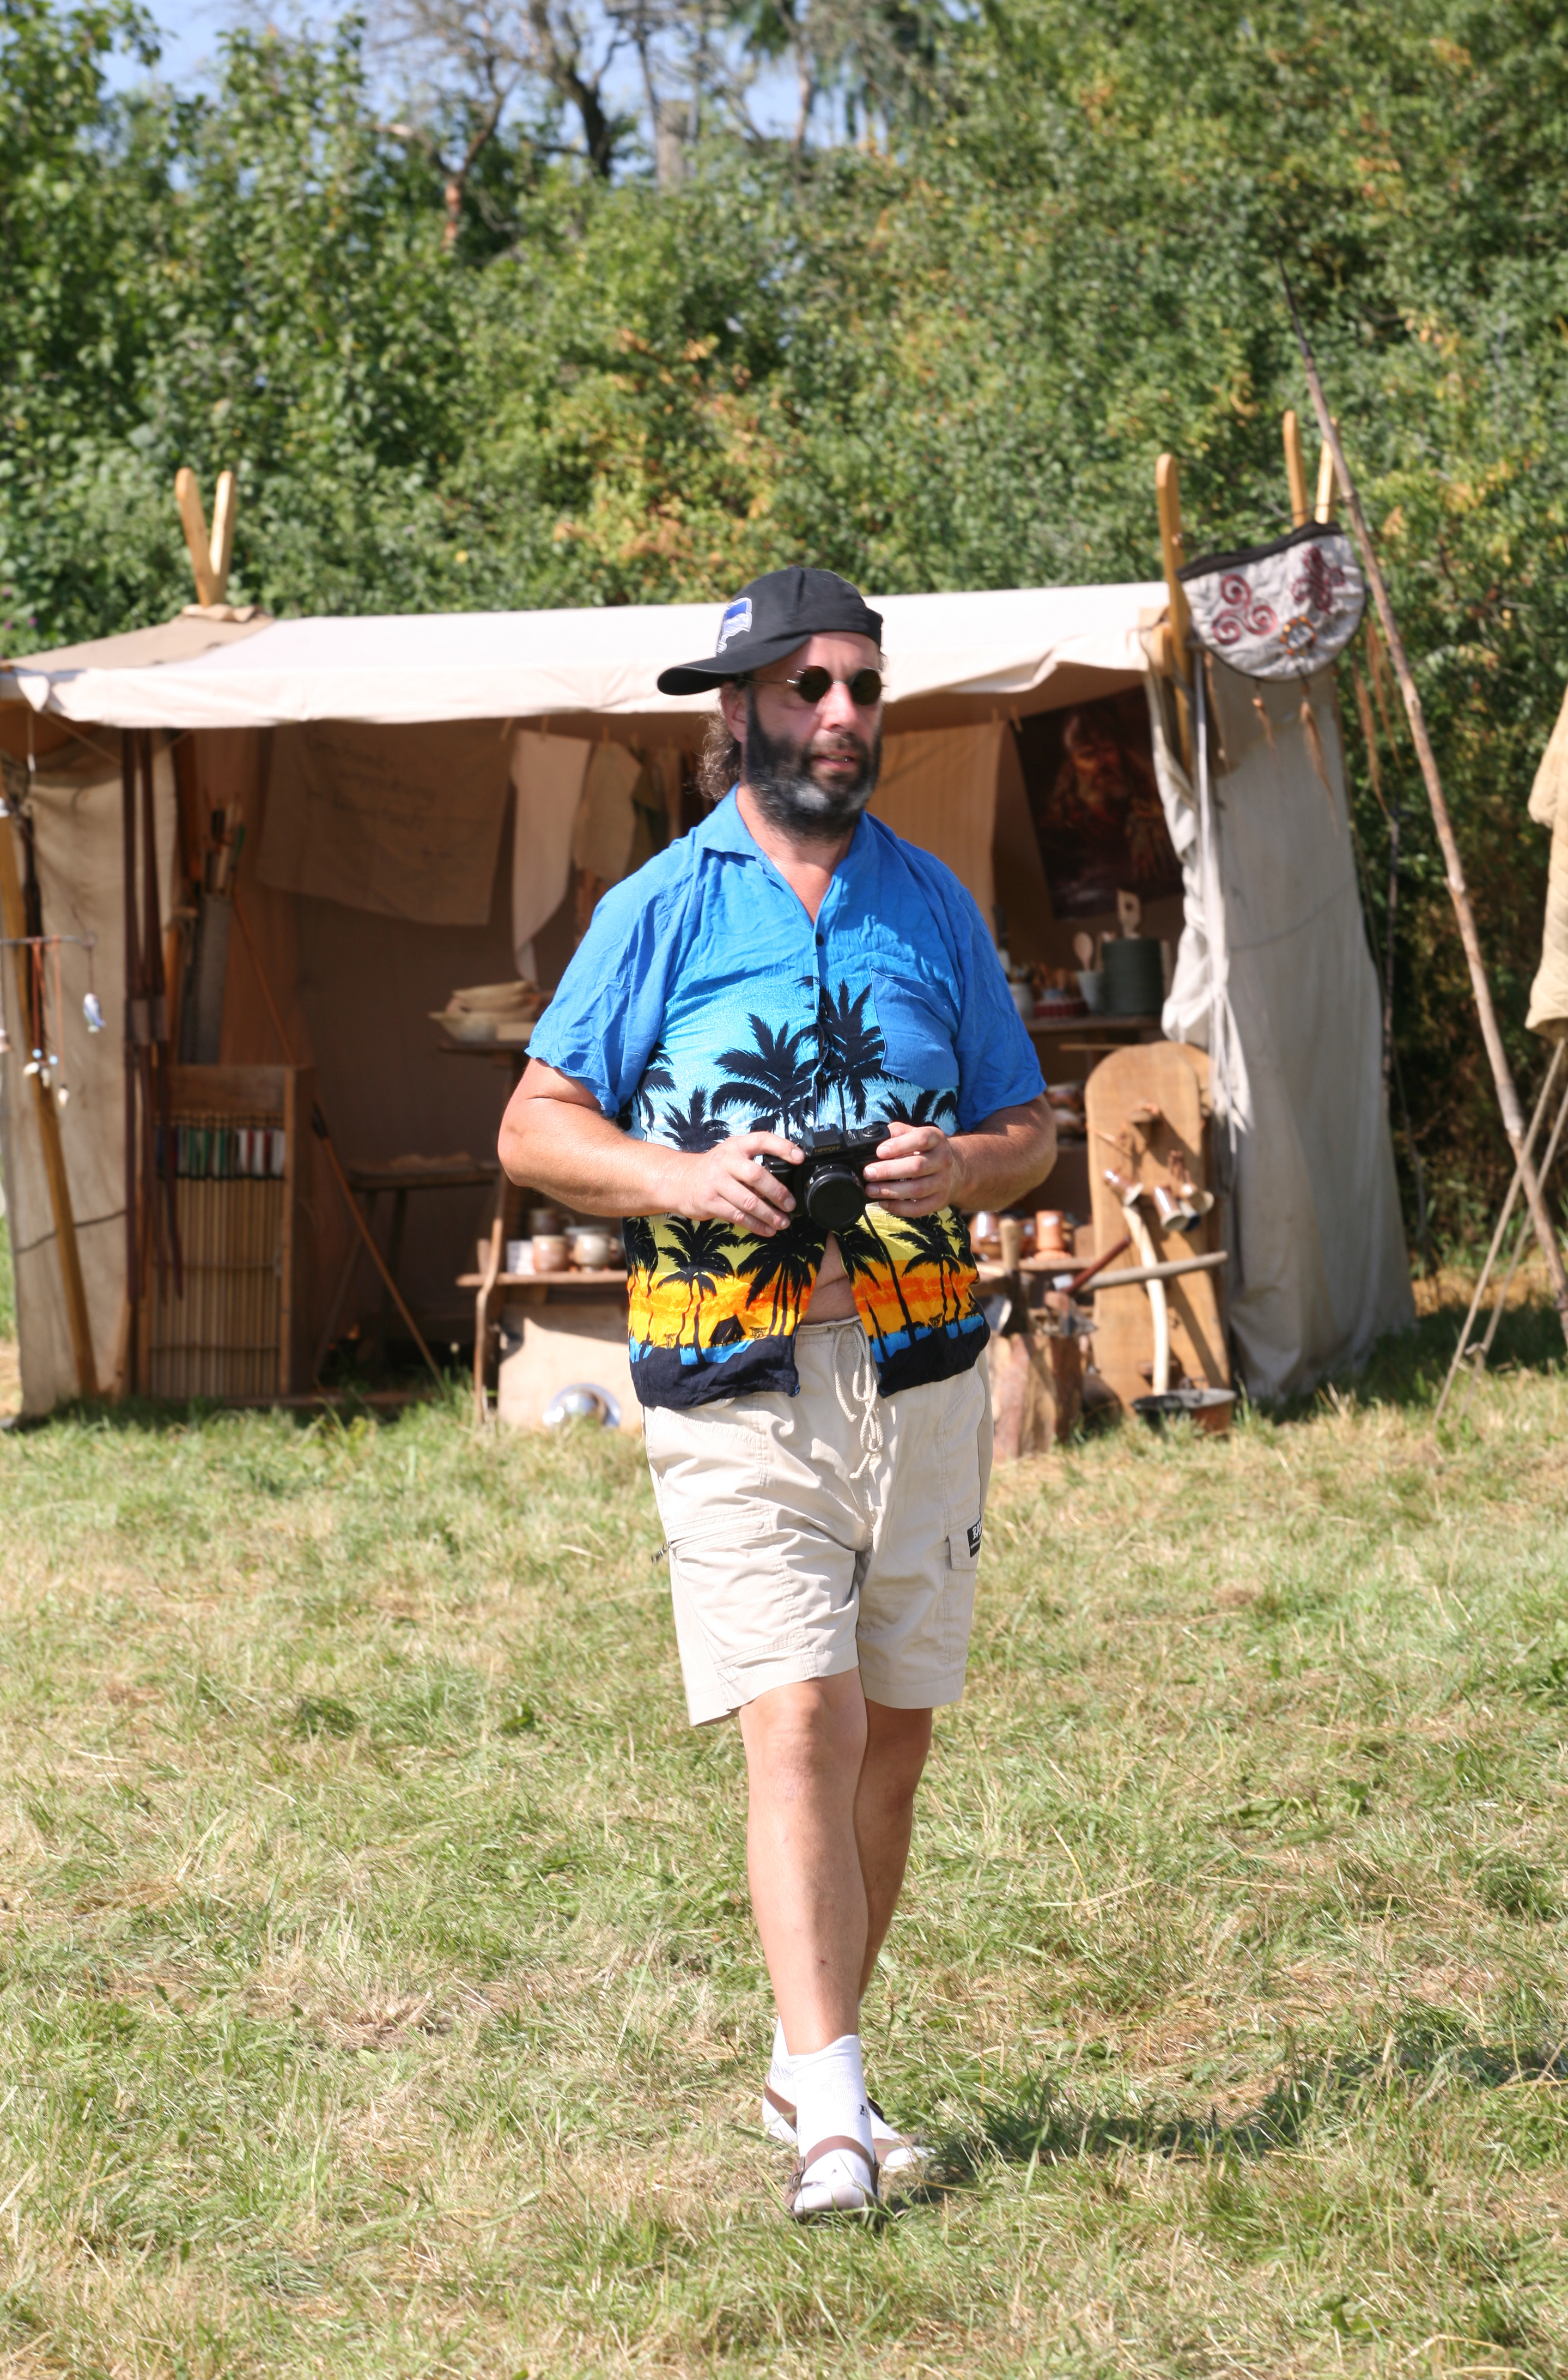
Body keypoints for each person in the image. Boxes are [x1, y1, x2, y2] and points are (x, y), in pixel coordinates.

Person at [499, 566, 1056, 2219]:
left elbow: (1031, 1127)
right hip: (735, 1378)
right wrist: (680, 1176)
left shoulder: (932, 905)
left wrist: (963, 1164)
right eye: (809, 686)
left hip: (922, 1374)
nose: (842, 715)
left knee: (894, 1736)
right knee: (802, 1720)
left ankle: (810, 2061)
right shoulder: (660, 909)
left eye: (863, 686)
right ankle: (832, 2118)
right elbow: (535, 1128)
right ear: (737, 709)